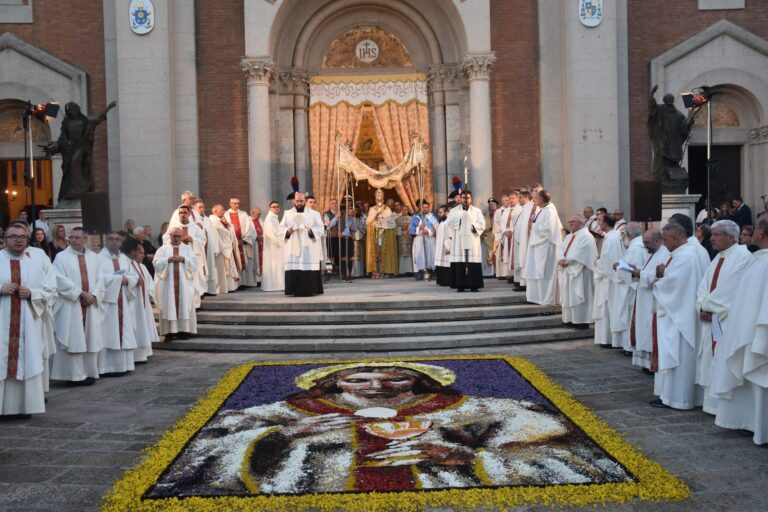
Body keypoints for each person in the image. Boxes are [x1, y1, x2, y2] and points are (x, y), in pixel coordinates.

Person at [151, 361, 631, 495]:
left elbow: (564, 452)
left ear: (420, 380)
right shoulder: (273, 415)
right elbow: (203, 455)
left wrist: (475, 458)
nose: (378, 384)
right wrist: (278, 439)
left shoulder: (485, 407)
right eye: (358, 377)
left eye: (395, 376)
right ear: (334, 384)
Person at [709, 214, 768, 445]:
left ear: (761, 233)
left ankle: (760, 426)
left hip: (757, 335)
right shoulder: (757, 261)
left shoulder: (762, 265)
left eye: (755, 227)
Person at [695, 220, 753, 415]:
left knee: (724, 359)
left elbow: (732, 289)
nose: (711, 238)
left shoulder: (743, 257)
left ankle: (725, 409)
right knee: (710, 358)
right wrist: (701, 306)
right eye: (712, 235)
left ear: (730, 237)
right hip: (712, 318)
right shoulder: (717, 258)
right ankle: (712, 405)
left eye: (716, 235)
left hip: (727, 319)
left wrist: (708, 306)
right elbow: (703, 286)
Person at [0, 222, 56, 418]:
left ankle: (25, 407)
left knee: (28, 361)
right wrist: (0, 289)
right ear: (4, 239)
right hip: (2, 324)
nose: (18, 240)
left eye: (22, 237)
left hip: (28, 325)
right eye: (13, 236)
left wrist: (32, 292)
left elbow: (51, 289)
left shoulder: (35, 263)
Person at [651, 222, 708, 409]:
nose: (664, 244)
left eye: (666, 240)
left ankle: (679, 399)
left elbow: (675, 285)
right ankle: (670, 396)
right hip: (678, 313)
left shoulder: (687, 257)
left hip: (680, 316)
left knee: (680, 357)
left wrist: (659, 281)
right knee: (676, 356)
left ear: (676, 238)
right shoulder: (683, 254)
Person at [50, 227, 103, 386]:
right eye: (71, 237)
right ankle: (72, 376)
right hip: (70, 304)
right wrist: (80, 293)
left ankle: (89, 373)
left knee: (90, 338)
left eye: (77, 238)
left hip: (90, 305)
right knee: (73, 339)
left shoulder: (94, 257)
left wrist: (94, 295)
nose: (73, 240)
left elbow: (101, 278)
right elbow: (59, 279)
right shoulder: (61, 257)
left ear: (85, 239)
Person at [42, 101, 116, 204]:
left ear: (77, 109)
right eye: (69, 110)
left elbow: (98, 118)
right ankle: (72, 192)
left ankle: (77, 190)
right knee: (69, 170)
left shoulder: (86, 121)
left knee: (74, 163)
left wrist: (108, 108)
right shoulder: (66, 123)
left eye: (72, 109)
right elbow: (61, 140)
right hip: (69, 150)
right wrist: (52, 148)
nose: (71, 112)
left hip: (82, 147)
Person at [97, 231, 138, 375]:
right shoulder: (98, 259)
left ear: (121, 242)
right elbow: (98, 278)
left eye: (117, 239)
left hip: (123, 300)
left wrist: (127, 280)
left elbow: (133, 275)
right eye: (111, 239)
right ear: (105, 240)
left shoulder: (124, 259)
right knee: (108, 332)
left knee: (123, 331)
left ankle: (123, 366)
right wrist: (120, 279)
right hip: (107, 303)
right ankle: (106, 367)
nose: (114, 242)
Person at [630, 229, 669, 372]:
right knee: (643, 328)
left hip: (652, 299)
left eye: (647, 242)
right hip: (644, 298)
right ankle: (646, 363)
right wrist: (636, 269)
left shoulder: (665, 253)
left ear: (658, 241)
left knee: (649, 329)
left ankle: (651, 363)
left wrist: (641, 273)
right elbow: (649, 269)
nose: (645, 245)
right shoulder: (654, 253)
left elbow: (661, 274)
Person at [155, 227, 199, 341]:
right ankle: (169, 332)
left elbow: (195, 263)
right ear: (170, 236)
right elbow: (156, 263)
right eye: (174, 236)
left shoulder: (187, 249)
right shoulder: (162, 249)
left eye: (179, 236)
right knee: (169, 305)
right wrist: (167, 260)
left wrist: (184, 259)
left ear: (182, 236)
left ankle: (183, 331)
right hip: (168, 284)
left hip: (183, 284)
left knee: (184, 304)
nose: (176, 238)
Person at [279, 192, 324, 296]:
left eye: (301, 201)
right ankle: (293, 290)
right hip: (293, 247)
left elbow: (321, 229)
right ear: (293, 201)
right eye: (297, 201)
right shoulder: (288, 213)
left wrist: (309, 228)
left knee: (308, 266)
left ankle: (311, 290)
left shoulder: (314, 214)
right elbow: (280, 228)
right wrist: (289, 230)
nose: (299, 203)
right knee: (295, 266)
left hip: (309, 247)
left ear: (305, 201)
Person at [610, 223, 646, 353]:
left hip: (630, 287)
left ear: (628, 234)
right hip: (635, 285)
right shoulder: (639, 244)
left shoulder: (636, 247)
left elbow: (631, 269)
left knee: (628, 316)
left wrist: (618, 266)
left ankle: (629, 346)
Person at [557, 214, 598, 329]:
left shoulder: (586, 236)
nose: (570, 224)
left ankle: (582, 321)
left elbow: (582, 253)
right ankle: (569, 319)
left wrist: (568, 261)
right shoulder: (570, 236)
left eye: (573, 221)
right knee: (568, 295)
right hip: (567, 270)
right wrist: (560, 259)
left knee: (579, 295)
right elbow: (561, 248)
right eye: (569, 221)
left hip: (580, 271)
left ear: (581, 223)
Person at [122, 237, 158, 363]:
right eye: (140, 252)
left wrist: (149, 293)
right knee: (134, 327)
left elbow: (149, 282)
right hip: (133, 303)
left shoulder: (142, 267)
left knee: (143, 327)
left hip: (143, 304)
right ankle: (136, 356)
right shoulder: (126, 264)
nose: (142, 255)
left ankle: (144, 353)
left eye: (143, 252)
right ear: (132, 251)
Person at [524, 190, 562, 305]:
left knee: (545, 273)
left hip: (546, 247)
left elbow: (548, 229)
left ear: (541, 199)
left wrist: (534, 225)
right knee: (536, 272)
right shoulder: (542, 210)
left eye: (536, 198)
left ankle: (547, 299)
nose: (535, 200)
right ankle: (537, 297)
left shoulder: (550, 212)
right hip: (537, 246)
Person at [166, 205, 208, 304]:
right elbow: (165, 240)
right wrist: (176, 240)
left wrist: (192, 239)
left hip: (192, 260)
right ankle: (180, 303)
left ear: (189, 214)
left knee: (194, 282)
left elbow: (203, 241)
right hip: (177, 260)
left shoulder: (195, 227)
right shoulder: (173, 227)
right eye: (181, 213)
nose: (183, 215)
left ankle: (195, 305)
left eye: (185, 213)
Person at [445, 191, 485, 292]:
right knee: (460, 262)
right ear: (460, 198)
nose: (465, 200)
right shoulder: (454, 211)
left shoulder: (477, 211)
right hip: (459, 240)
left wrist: (474, 227)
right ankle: (460, 285)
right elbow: (448, 222)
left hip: (472, 239)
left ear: (471, 199)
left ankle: (474, 285)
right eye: (463, 198)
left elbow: (482, 224)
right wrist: (460, 220)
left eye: (467, 198)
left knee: (472, 262)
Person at [593, 214, 623, 348]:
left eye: (600, 221)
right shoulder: (612, 237)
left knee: (606, 309)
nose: (598, 224)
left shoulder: (612, 239)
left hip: (607, 280)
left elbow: (609, 262)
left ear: (605, 223)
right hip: (607, 279)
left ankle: (607, 339)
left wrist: (597, 264)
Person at [514, 185, 543, 291]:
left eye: (539, 190)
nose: (538, 192)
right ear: (531, 192)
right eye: (535, 190)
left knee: (530, 261)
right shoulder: (527, 207)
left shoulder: (539, 206)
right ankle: (523, 283)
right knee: (524, 260)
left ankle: (528, 284)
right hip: (524, 239)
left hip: (532, 239)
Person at [365, 189, 397, 279]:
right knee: (376, 252)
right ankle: (375, 271)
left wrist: (383, 219)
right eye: (377, 199)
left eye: (381, 199)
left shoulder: (387, 209)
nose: (379, 201)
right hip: (375, 233)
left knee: (383, 252)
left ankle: (385, 270)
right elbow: (368, 221)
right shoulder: (372, 209)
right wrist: (375, 218)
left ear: (383, 200)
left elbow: (391, 223)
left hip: (384, 233)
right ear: (375, 200)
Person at [226, 197, 257, 287]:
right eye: (234, 203)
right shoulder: (226, 215)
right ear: (230, 204)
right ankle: (236, 284)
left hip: (242, 242)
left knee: (244, 261)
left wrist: (243, 240)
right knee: (235, 261)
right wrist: (234, 241)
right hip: (233, 244)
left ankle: (244, 283)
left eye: (238, 203)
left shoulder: (244, 214)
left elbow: (248, 228)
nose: (236, 205)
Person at [210, 204, 240, 294]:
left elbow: (230, 229)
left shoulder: (221, 220)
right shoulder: (213, 220)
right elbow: (224, 232)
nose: (224, 211)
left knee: (226, 269)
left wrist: (227, 224)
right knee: (222, 270)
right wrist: (227, 228)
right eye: (222, 210)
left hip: (226, 247)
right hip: (221, 249)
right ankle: (223, 288)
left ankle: (230, 287)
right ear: (215, 211)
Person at [495, 193, 522, 280]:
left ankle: (516, 276)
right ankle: (510, 274)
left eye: (513, 198)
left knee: (515, 255)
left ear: (518, 198)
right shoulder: (507, 210)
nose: (511, 200)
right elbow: (502, 223)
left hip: (515, 235)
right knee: (508, 255)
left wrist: (513, 231)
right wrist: (504, 231)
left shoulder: (520, 209)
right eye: (510, 198)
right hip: (507, 236)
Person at [195, 199, 220, 295]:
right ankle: (201, 291)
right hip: (199, 248)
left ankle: (210, 289)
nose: (202, 209)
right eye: (199, 207)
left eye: (203, 207)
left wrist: (215, 248)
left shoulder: (207, 219)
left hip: (208, 248)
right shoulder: (193, 220)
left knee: (209, 268)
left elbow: (213, 234)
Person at [409, 200, 438, 280]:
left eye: (426, 207)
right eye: (423, 207)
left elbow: (437, 228)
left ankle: (431, 271)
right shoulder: (416, 217)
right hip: (419, 240)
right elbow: (412, 231)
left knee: (431, 255)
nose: (425, 209)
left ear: (429, 207)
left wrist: (428, 231)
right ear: (420, 208)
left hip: (430, 239)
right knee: (420, 255)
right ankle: (420, 271)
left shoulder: (432, 217)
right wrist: (419, 229)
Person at [261, 201, 285, 292]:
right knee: (274, 264)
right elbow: (269, 233)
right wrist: (280, 243)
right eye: (274, 207)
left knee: (277, 265)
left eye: (277, 206)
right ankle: (274, 286)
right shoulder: (269, 218)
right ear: (269, 208)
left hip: (276, 245)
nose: (276, 208)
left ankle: (277, 285)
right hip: (273, 246)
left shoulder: (274, 217)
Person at [512, 190, 533, 288]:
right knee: (521, 262)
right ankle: (522, 283)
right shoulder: (524, 208)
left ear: (526, 198)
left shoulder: (530, 208)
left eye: (520, 197)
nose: (518, 200)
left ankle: (525, 284)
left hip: (525, 241)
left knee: (525, 261)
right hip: (520, 240)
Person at [434, 205, 451, 287]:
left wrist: (449, 247)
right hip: (440, 248)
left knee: (446, 264)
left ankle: (447, 281)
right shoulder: (442, 222)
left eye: (441, 212)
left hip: (446, 247)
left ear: (446, 213)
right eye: (438, 212)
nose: (439, 214)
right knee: (441, 264)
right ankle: (441, 280)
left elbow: (450, 236)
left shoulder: (448, 223)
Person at [480, 199, 497, 277]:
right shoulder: (484, 217)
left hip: (495, 239)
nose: (493, 212)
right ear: (489, 209)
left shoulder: (497, 216)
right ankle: (486, 273)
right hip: (486, 239)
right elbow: (482, 228)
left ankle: (494, 272)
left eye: (495, 210)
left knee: (495, 254)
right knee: (484, 255)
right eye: (492, 210)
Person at [351, 203, 367, 278]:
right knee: (353, 256)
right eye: (356, 210)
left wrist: (360, 233)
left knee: (360, 256)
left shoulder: (363, 218)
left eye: (359, 210)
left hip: (360, 240)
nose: (357, 211)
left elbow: (365, 228)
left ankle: (360, 273)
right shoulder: (351, 218)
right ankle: (353, 273)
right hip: (352, 239)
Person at [396, 207, 413, 276]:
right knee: (402, 254)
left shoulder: (411, 218)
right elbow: (396, 228)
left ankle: (410, 271)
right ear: (401, 210)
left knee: (409, 253)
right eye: (403, 209)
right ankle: (402, 271)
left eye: (406, 209)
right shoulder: (397, 219)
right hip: (401, 237)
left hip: (409, 237)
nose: (404, 211)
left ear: (408, 211)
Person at [250, 207, 264, 285]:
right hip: (254, 245)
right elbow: (247, 233)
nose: (259, 215)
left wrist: (263, 236)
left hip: (262, 244)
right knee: (255, 261)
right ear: (253, 213)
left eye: (260, 214)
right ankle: (255, 281)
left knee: (262, 261)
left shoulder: (261, 220)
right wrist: (255, 237)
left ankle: (261, 279)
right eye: (258, 214)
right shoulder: (248, 221)